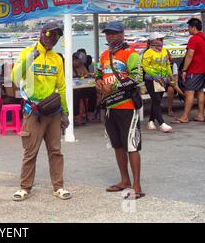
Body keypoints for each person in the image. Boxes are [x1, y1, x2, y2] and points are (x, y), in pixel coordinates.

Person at [11, 21, 71, 202]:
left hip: (53, 112)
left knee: (55, 151)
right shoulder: (27, 53)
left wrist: (65, 112)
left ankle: (58, 187)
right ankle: (24, 188)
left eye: (57, 36)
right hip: (33, 112)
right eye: (50, 34)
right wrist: (32, 57)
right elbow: (14, 77)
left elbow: (61, 87)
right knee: (30, 151)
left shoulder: (57, 59)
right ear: (42, 33)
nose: (53, 38)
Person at [96, 21, 145, 200]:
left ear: (122, 34)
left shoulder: (130, 54)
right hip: (109, 107)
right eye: (108, 34)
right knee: (117, 145)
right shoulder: (104, 55)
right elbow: (99, 73)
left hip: (127, 106)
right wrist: (99, 82)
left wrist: (114, 85)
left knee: (131, 146)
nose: (110, 37)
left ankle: (137, 186)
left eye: (114, 33)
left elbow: (138, 77)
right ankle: (124, 180)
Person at [173, 18, 205, 124]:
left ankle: (185, 117)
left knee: (189, 92)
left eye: (188, 27)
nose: (188, 29)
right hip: (202, 69)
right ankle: (200, 115)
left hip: (194, 69)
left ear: (193, 27)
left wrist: (185, 69)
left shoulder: (194, 39)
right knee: (200, 91)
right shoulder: (203, 37)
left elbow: (189, 55)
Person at [142, 32, 173, 133]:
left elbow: (167, 64)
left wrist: (170, 74)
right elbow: (145, 66)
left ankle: (151, 121)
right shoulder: (148, 53)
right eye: (159, 39)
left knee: (157, 101)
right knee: (156, 100)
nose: (161, 41)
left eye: (162, 40)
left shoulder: (164, 51)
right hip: (151, 80)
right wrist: (154, 76)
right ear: (153, 41)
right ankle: (161, 123)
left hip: (162, 80)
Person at [73, 53, 97, 125]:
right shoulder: (68, 67)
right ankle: (76, 117)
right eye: (78, 61)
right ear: (73, 60)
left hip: (81, 87)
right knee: (75, 96)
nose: (80, 63)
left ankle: (90, 113)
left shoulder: (82, 66)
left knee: (93, 91)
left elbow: (87, 74)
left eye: (81, 62)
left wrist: (86, 75)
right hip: (72, 89)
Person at [167, 52, 185, 117]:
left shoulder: (173, 64)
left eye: (168, 56)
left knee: (171, 89)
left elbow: (176, 77)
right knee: (172, 85)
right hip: (160, 82)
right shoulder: (160, 65)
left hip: (172, 83)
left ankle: (170, 109)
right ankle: (183, 95)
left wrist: (174, 82)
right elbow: (167, 79)